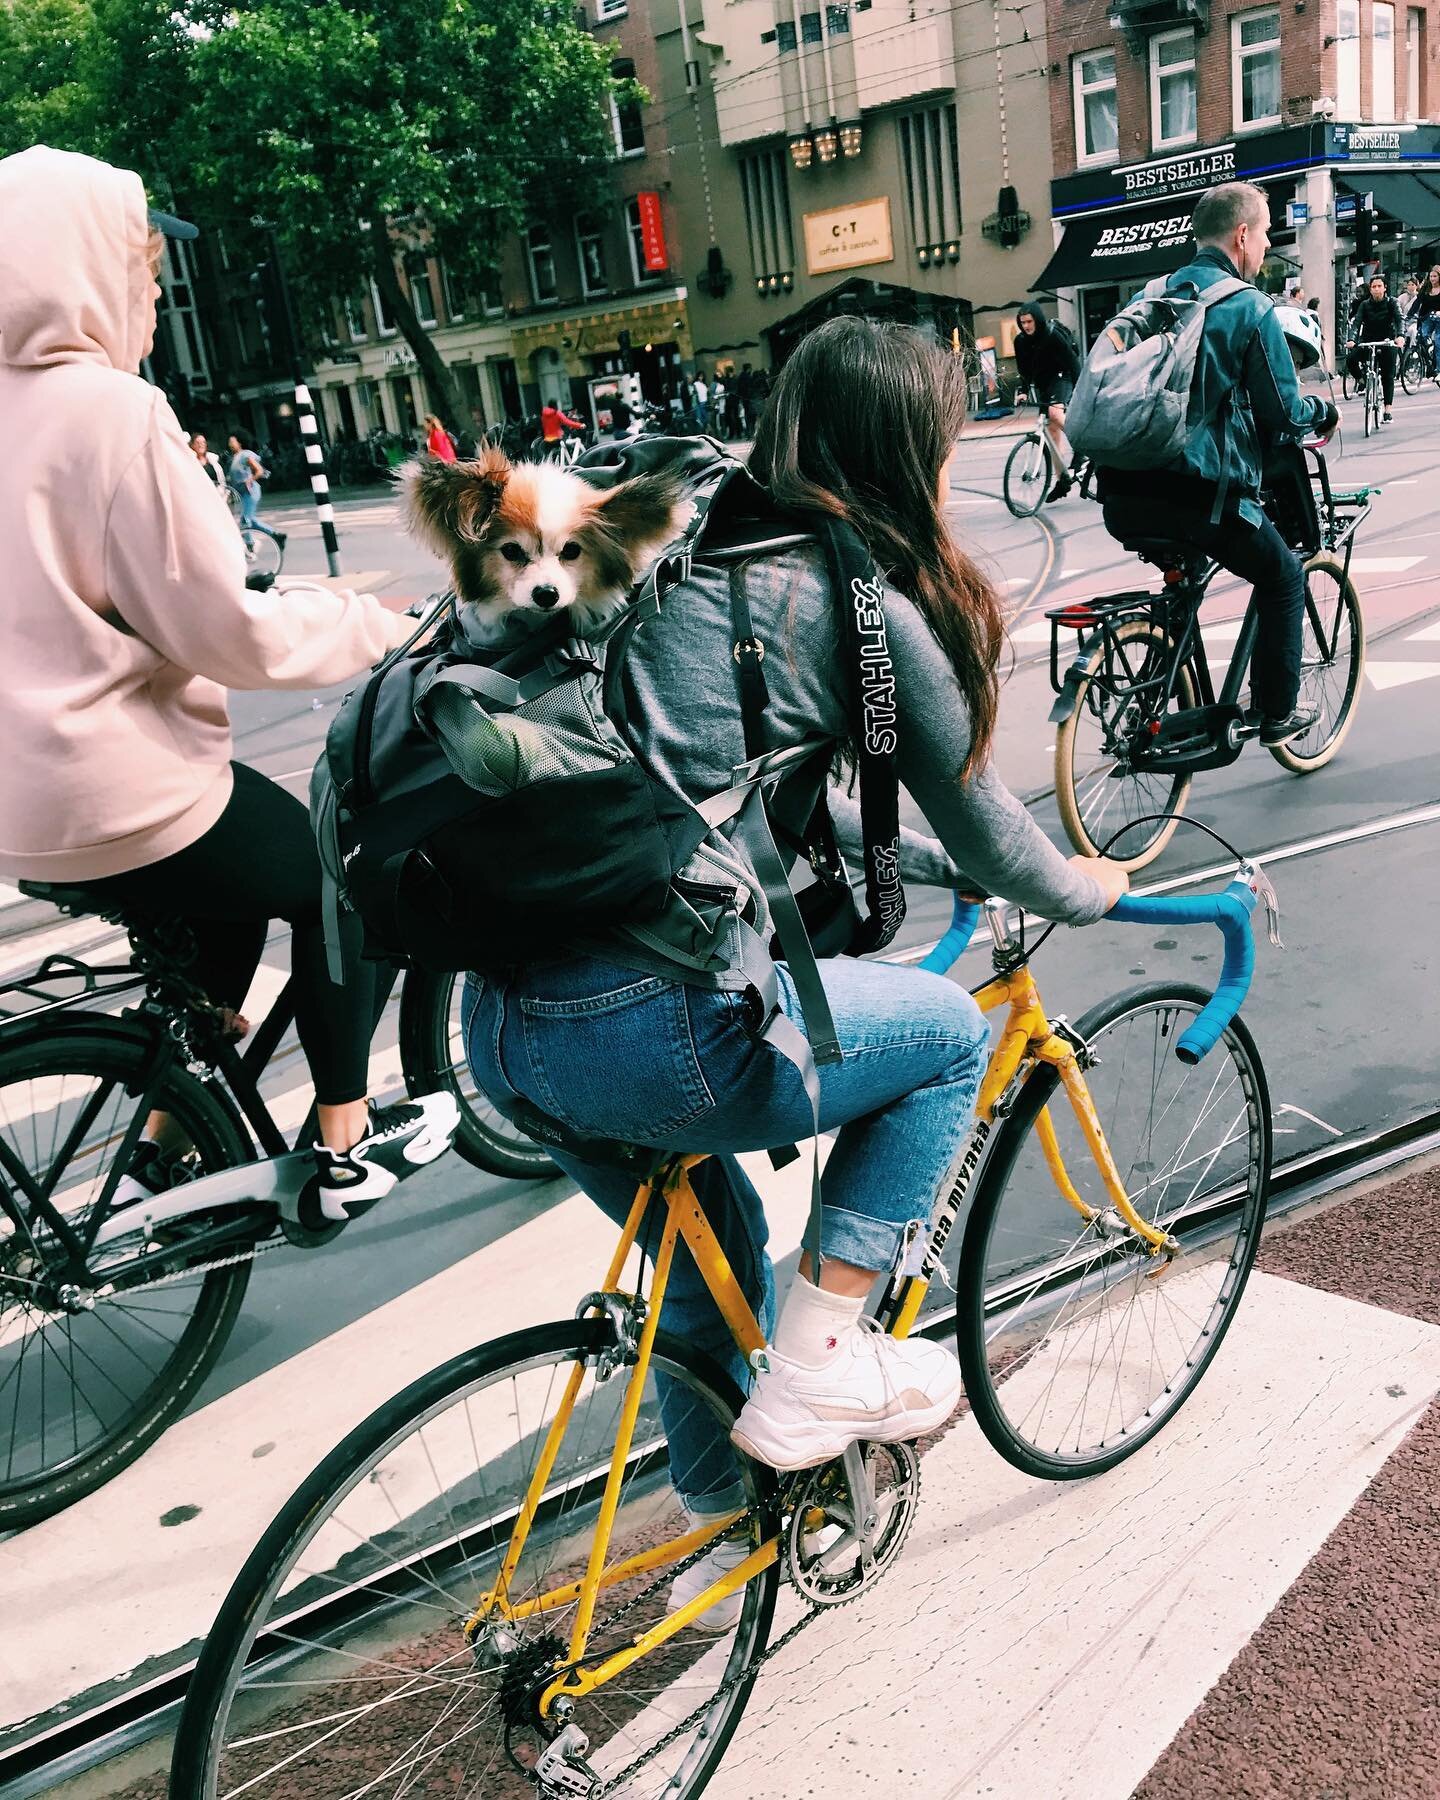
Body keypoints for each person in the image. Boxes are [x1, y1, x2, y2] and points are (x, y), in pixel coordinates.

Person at [462, 315, 1128, 1621]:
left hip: (505, 1028)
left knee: (708, 1264)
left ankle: (726, 1524)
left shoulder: (672, 539)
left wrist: (911, 868)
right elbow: (1005, 846)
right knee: (943, 1033)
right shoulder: (853, 599)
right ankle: (828, 1359)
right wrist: (1090, 884)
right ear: (911, 453)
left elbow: (706, 789)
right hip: (654, 1028)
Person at [0, 145, 457, 1215]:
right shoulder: (112, 413)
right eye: (143, 266)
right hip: (115, 787)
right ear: (80, 269)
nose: (153, 293)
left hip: (21, 807)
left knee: (225, 909)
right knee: (342, 879)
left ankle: (170, 1129)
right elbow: (227, 634)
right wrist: (368, 626)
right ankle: (345, 1143)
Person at [1097, 181, 1338, 746]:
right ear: (1242, 235)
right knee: (1281, 577)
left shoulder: (1150, 295)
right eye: (1268, 230)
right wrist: (1321, 411)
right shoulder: (1250, 309)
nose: (1269, 242)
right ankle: (1277, 714)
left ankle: (1170, 688)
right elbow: (1282, 417)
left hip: (1123, 496)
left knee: (1187, 578)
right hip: (1197, 498)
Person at [1012, 303, 1082, 501]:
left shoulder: (1052, 335)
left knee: (1054, 414)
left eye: (1029, 321)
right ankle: (1062, 481)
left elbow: (1073, 363)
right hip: (1044, 385)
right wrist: (1024, 391)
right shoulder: (1020, 342)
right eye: (1022, 322)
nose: (1025, 326)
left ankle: (1082, 446)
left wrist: (1079, 391)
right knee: (1051, 432)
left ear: (1037, 319)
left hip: (1062, 377)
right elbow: (1023, 371)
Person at [1346, 272, 1404, 421]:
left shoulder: (1392, 302)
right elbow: (1356, 323)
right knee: (1351, 359)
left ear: (1385, 288)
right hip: (1367, 341)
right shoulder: (1364, 305)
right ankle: (1363, 382)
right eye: (1374, 287)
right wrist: (1352, 339)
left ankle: (1387, 410)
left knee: (1387, 375)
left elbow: (1399, 320)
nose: (1376, 289)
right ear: (1370, 289)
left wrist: (1400, 336)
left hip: (1387, 341)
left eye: (1379, 286)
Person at [225, 430, 285, 562]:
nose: (230, 443)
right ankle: (276, 535)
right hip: (243, 493)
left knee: (246, 520)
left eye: (232, 440)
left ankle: (251, 545)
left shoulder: (245, 455)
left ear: (239, 442)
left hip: (251, 492)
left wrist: (250, 479)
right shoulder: (234, 458)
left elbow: (259, 470)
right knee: (250, 519)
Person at [1411, 265, 1440, 370]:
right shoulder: (1426, 288)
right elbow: (1417, 302)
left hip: (1438, 318)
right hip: (1426, 317)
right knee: (1422, 337)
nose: (1432, 279)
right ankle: (1427, 362)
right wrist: (1409, 315)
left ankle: (1439, 369)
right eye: (1431, 276)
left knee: (1438, 341)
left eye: (1435, 276)